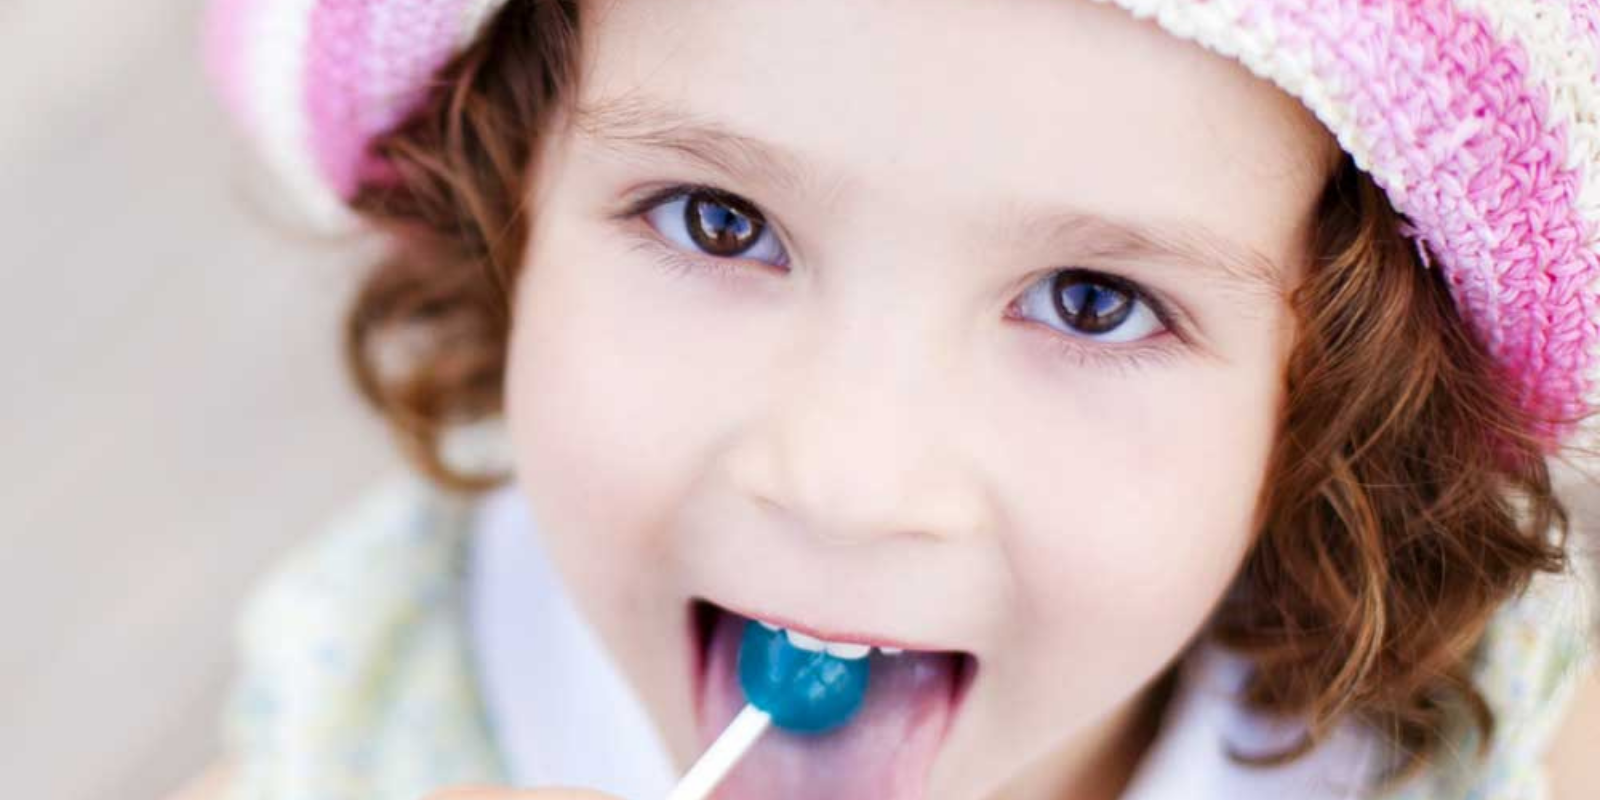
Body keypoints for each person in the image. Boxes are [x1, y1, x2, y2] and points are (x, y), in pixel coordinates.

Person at [181, 0, 1600, 798]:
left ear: (1333, 400)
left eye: (1091, 301)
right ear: (510, 201)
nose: (843, 478)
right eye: (717, 221)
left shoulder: (1499, 749)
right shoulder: (363, 713)